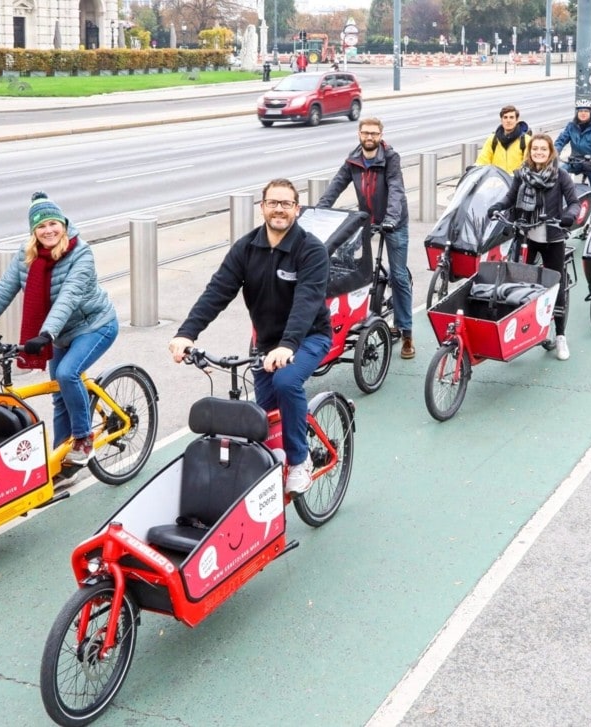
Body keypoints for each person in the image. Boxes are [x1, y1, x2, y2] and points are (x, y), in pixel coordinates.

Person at [169, 179, 332, 495]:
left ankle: (300, 461)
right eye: (273, 203)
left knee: (286, 382)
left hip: (308, 337)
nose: (279, 209)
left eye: (286, 204)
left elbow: (307, 301)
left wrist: (288, 344)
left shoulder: (310, 249)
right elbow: (217, 291)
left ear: (297, 209)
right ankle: (275, 465)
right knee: (263, 418)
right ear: (263, 208)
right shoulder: (246, 248)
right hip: (266, 345)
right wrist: (186, 333)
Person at [0, 192, 119, 466]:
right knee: (59, 395)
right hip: (57, 333)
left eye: (53, 224)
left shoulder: (81, 254)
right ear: (33, 231)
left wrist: (46, 334)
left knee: (68, 374)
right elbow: (1, 294)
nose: (48, 230)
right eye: (40, 226)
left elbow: (69, 296)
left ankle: (83, 437)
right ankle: (61, 464)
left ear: (63, 225)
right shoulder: (26, 256)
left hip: (94, 325)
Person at [318, 117, 414, 359]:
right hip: (367, 221)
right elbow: (336, 186)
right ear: (359, 134)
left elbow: (395, 188)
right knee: (347, 264)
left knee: (399, 275)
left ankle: (406, 332)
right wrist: (320, 211)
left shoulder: (390, 158)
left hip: (395, 222)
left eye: (374, 133)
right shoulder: (353, 159)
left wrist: (391, 218)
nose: (369, 137)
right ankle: (352, 316)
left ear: (381, 135)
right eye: (365, 133)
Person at [490, 134, 581, 361]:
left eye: (543, 149)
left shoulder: (560, 176)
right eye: (535, 149)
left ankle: (560, 336)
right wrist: (497, 207)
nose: (538, 152)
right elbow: (510, 198)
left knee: (556, 285)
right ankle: (520, 333)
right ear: (530, 151)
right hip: (527, 236)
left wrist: (569, 216)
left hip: (552, 238)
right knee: (521, 284)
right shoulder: (522, 175)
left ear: (550, 152)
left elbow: (574, 203)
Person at [554, 100, 591, 223]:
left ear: (590, 112)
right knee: (558, 172)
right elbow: (561, 140)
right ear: (577, 112)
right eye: (580, 111)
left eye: (586, 111)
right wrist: (555, 151)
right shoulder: (571, 126)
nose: (583, 113)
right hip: (576, 161)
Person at [476, 104, 532, 174]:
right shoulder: (493, 139)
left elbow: (529, 166)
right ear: (501, 120)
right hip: (497, 181)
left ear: (517, 120)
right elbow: (482, 162)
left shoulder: (526, 140)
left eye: (511, 117)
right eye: (505, 117)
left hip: (517, 182)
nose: (508, 120)